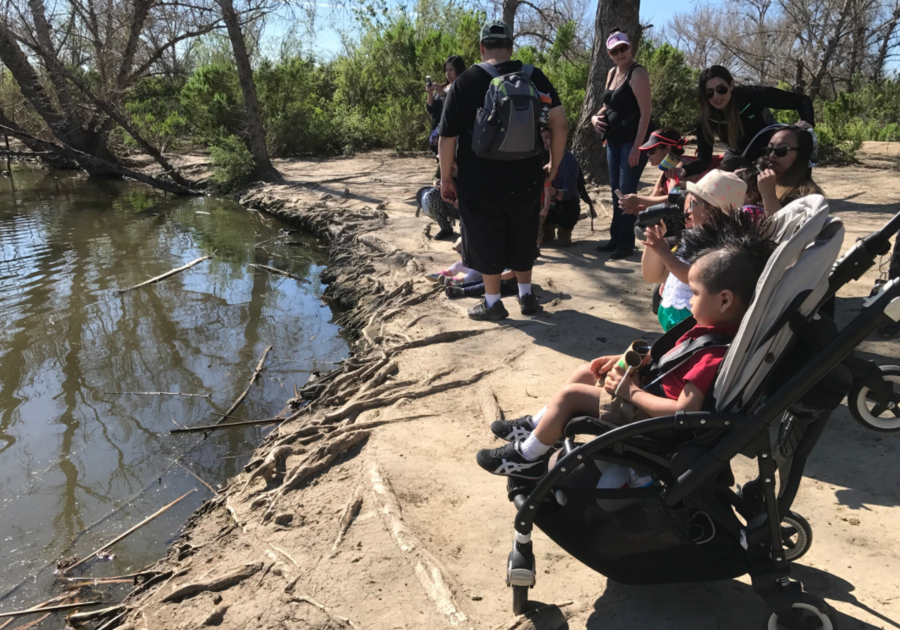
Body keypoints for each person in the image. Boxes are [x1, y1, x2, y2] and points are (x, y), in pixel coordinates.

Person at [475, 215, 777, 479]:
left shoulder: (714, 354)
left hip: (653, 421)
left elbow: (684, 413)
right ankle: (538, 427)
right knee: (586, 371)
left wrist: (630, 392)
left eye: (694, 293)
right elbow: (672, 360)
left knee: (572, 395)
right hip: (648, 394)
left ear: (724, 300)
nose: (691, 300)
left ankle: (528, 458)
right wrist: (627, 360)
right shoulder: (710, 328)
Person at [439, 20, 566, 322]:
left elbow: (447, 137)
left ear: (482, 48)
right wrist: (554, 164)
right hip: (527, 175)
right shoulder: (535, 77)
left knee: (485, 236)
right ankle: (526, 295)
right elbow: (559, 123)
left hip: (479, 179)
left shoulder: (465, 81)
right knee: (523, 232)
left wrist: (445, 178)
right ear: (511, 48)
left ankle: (493, 302)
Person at [642, 170, 748, 332]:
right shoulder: (691, 237)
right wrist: (654, 243)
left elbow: (693, 277)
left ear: (713, 212)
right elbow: (653, 275)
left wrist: (664, 253)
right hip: (673, 320)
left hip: (690, 323)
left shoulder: (719, 246)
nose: (686, 211)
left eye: (692, 204)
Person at [685, 66, 815, 178]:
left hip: (768, 148)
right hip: (737, 152)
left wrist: (808, 122)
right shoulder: (705, 120)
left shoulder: (751, 95)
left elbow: (802, 100)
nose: (716, 96)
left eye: (721, 89)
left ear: (731, 85)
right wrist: (684, 170)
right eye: (709, 93)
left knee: (806, 137)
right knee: (721, 181)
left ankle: (799, 184)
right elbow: (704, 160)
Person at [591, 29, 653, 260]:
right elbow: (608, 105)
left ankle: (626, 244)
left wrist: (638, 147)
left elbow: (646, 113)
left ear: (630, 48)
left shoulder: (637, 73)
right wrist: (595, 118)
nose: (620, 53)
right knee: (616, 190)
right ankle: (615, 238)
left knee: (627, 192)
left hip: (632, 141)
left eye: (623, 48)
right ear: (609, 53)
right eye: (615, 50)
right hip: (613, 141)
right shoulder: (612, 73)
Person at [756, 126, 824, 214]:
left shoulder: (807, 195)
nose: (772, 155)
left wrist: (769, 195)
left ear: (801, 154)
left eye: (781, 150)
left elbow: (782, 226)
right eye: (769, 149)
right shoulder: (764, 182)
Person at [619, 128, 687, 214]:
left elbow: (674, 199)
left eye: (652, 150)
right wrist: (633, 209)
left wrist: (638, 200)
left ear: (667, 149)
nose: (647, 154)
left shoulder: (678, 169)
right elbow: (652, 201)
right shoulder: (667, 169)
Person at [539, 128, 582, 247]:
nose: (544, 142)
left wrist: (555, 192)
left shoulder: (570, 160)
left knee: (570, 206)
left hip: (562, 201)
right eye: (542, 138)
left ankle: (564, 231)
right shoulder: (539, 156)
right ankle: (546, 227)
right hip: (543, 201)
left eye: (547, 138)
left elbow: (569, 192)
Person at [426, 56, 466, 153]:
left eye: (451, 70)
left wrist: (443, 94)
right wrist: (430, 94)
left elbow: (455, 108)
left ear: (458, 69)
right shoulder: (442, 87)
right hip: (438, 134)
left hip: (453, 136)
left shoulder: (462, 87)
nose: (448, 73)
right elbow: (430, 109)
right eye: (446, 70)